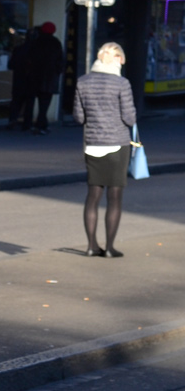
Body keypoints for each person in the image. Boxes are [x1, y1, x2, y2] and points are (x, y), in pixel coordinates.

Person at [73, 42, 137, 258]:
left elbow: (79, 117)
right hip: (117, 144)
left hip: (92, 144)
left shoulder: (82, 82)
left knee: (93, 195)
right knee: (115, 197)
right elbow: (130, 118)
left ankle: (91, 246)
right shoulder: (122, 83)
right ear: (117, 59)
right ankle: (109, 248)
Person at [27, 21, 65, 134]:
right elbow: (60, 61)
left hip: (35, 76)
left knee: (32, 101)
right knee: (45, 103)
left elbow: (30, 58)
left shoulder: (36, 42)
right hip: (50, 78)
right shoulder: (55, 43)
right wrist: (58, 71)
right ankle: (41, 124)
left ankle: (32, 124)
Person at [6, 33, 35, 131]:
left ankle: (12, 119)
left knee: (16, 102)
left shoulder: (18, 49)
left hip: (18, 79)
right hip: (31, 80)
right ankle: (27, 124)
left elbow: (11, 65)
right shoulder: (36, 51)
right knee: (29, 104)